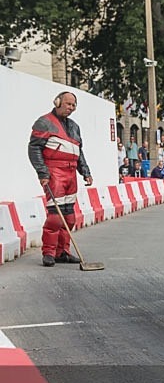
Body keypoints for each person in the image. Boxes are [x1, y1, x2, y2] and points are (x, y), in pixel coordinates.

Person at [28, 91, 93, 266]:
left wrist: (85, 172)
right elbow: (34, 149)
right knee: (55, 216)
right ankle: (48, 252)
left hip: (71, 174)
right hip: (54, 173)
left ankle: (62, 251)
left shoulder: (74, 126)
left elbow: (79, 152)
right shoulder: (44, 122)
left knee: (69, 216)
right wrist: (42, 173)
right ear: (57, 102)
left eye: (73, 105)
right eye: (68, 104)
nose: (71, 108)